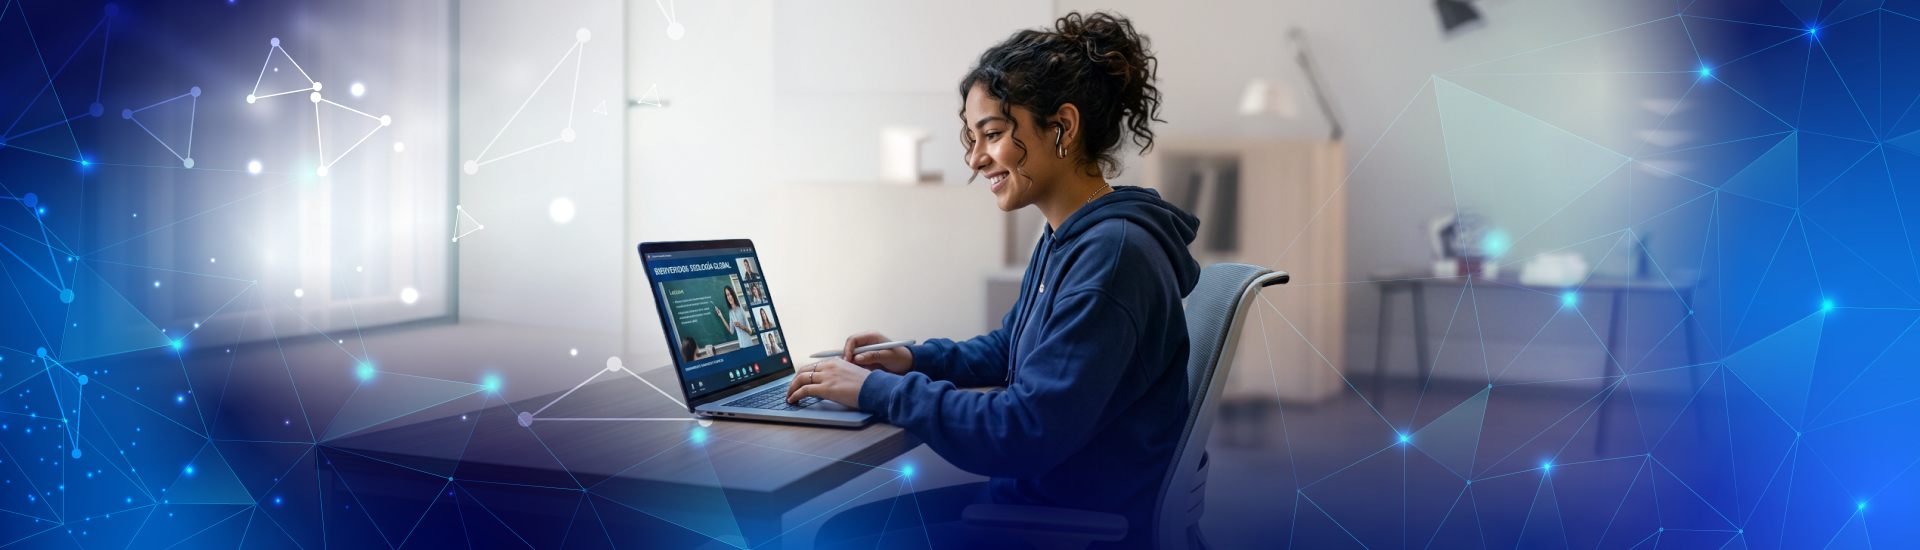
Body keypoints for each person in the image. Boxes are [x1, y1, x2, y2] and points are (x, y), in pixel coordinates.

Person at [790, 12, 1198, 549]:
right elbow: (1015, 347)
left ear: (1063, 127)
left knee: (845, 536)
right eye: (973, 137)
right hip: (1045, 501)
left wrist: (880, 390)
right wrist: (914, 358)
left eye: (994, 134)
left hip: (1071, 524)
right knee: (848, 527)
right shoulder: (1070, 236)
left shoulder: (1111, 258)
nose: (976, 157)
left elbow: (1023, 430)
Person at [712, 285, 753, 352]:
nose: (729, 297)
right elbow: (731, 331)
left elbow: (750, 331)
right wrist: (721, 315)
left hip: (749, 345)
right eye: (727, 295)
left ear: (733, 295)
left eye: (730, 294)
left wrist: (740, 326)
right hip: (742, 346)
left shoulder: (741, 309)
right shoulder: (731, 312)